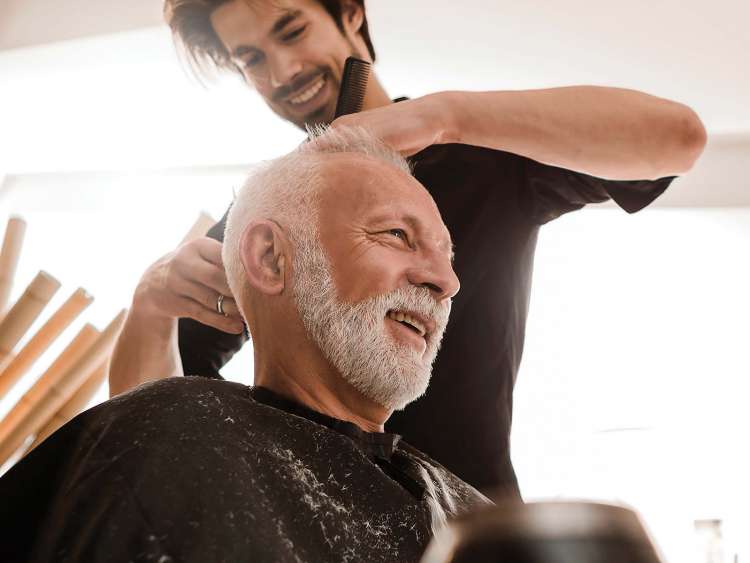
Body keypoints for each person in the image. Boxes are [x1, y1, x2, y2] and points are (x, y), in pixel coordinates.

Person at [109, 0, 707, 497]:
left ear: (349, 13)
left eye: (291, 30)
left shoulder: (480, 158)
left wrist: (447, 117)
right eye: (252, 60)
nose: (282, 70)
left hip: (473, 525)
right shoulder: (261, 223)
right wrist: (150, 303)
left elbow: (679, 139)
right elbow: (150, 426)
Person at [0, 127, 490, 563]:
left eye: (447, 256)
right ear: (270, 259)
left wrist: (447, 115)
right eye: (397, 234)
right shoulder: (179, 439)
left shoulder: (476, 517)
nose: (446, 281)